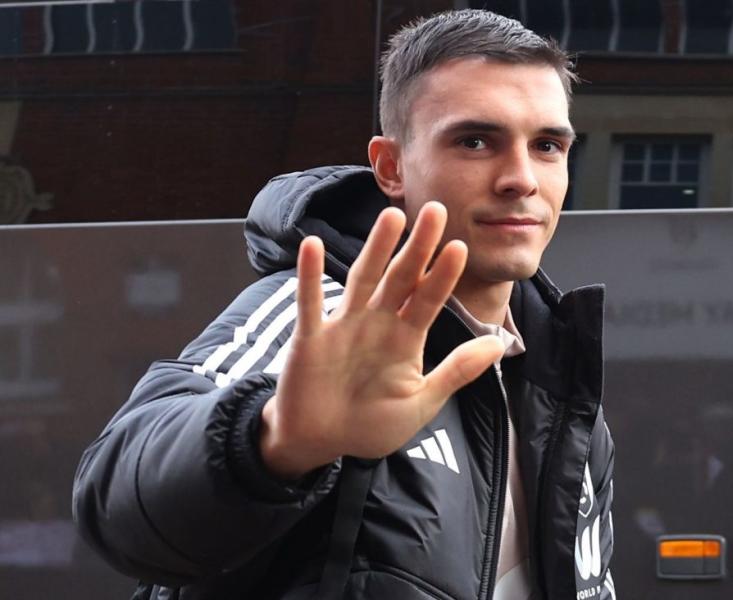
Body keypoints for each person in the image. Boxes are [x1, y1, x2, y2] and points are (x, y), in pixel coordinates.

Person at [73, 9, 615, 600]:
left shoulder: (560, 380)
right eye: (475, 141)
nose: (521, 178)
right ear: (390, 167)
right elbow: (117, 502)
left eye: (547, 145)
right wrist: (278, 440)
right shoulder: (325, 317)